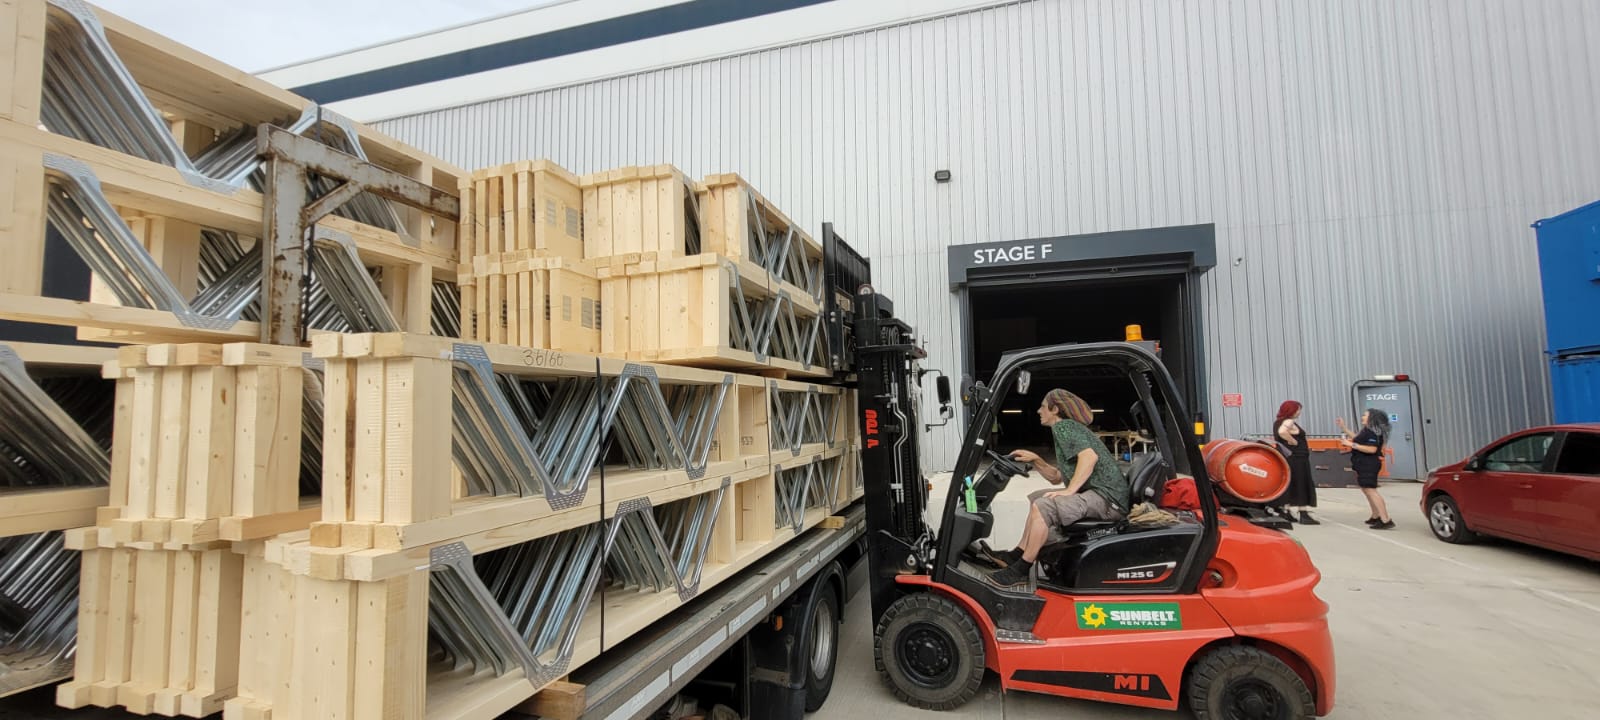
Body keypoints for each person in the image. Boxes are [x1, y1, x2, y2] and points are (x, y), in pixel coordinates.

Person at [983, 389, 1129, 589]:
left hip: (1107, 500)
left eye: (1043, 406)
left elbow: (1089, 458)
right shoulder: (1067, 431)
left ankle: (1021, 569)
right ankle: (1015, 555)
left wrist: (1069, 492)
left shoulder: (1065, 426)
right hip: (1100, 497)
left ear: (1055, 409)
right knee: (1037, 498)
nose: (1038, 411)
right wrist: (1036, 460)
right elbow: (1057, 477)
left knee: (1045, 506)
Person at [1338, 409, 1394, 529]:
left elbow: (1372, 449)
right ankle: (1375, 515)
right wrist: (1344, 428)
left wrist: (1351, 445)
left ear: (1372, 418)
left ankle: (1385, 519)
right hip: (1362, 464)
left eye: (1365, 415)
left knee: (1371, 490)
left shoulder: (1373, 432)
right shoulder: (1366, 431)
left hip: (1369, 464)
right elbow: (1357, 438)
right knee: (1366, 490)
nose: (1362, 417)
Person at [1274, 400, 1319, 524]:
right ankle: (1303, 513)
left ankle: (1286, 511)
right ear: (1292, 410)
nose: (1299, 412)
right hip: (1297, 458)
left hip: (1288, 457)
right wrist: (1293, 441)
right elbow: (1282, 432)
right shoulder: (1289, 421)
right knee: (1301, 482)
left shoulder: (1278, 422)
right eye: (1298, 409)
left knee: (1291, 483)